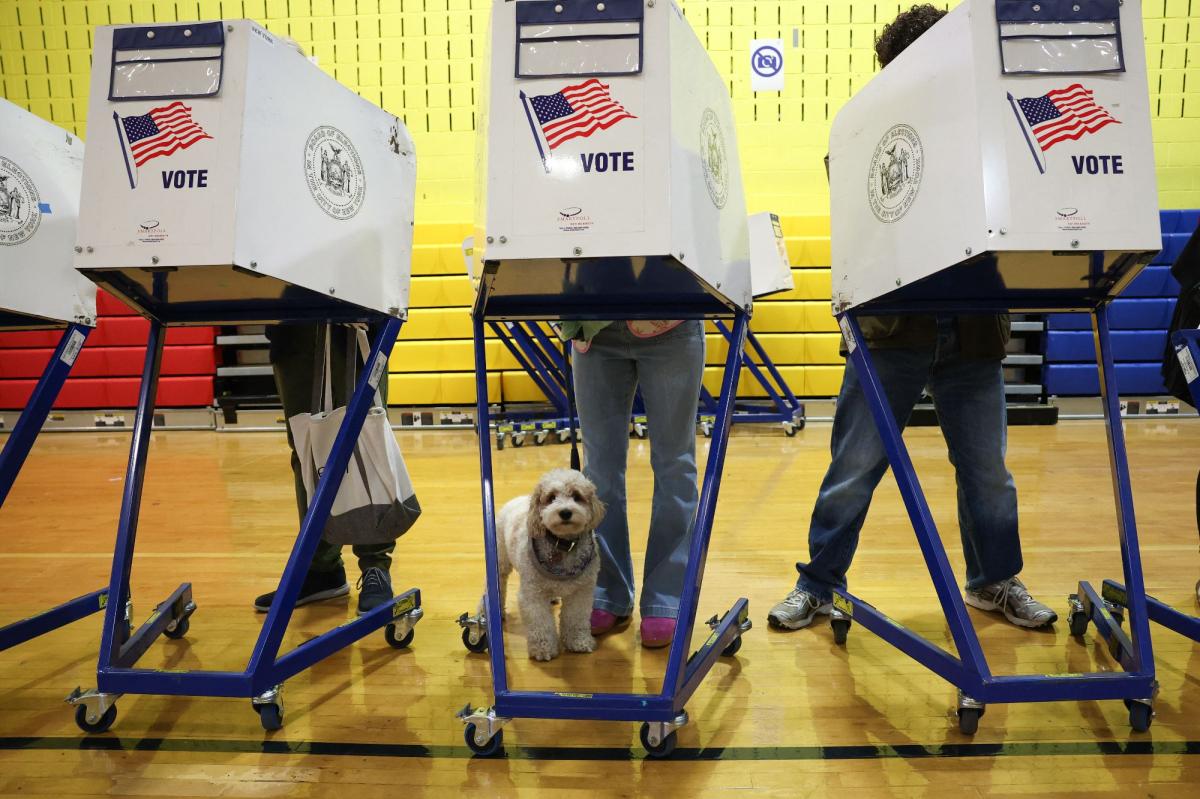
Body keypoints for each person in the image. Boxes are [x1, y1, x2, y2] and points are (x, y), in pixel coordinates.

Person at [768, 4, 1058, 632]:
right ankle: (817, 584)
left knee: (988, 473)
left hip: (974, 328)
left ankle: (994, 582)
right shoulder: (865, 132)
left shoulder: (991, 126)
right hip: (891, 330)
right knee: (852, 471)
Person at [566, 318, 705, 648]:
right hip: (592, 329)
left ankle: (666, 595)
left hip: (672, 319)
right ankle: (605, 589)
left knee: (675, 466)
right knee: (599, 472)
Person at [252, 323, 395, 615]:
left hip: (354, 316)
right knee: (306, 447)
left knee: (366, 440)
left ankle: (375, 566)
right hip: (293, 319)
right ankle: (320, 569)